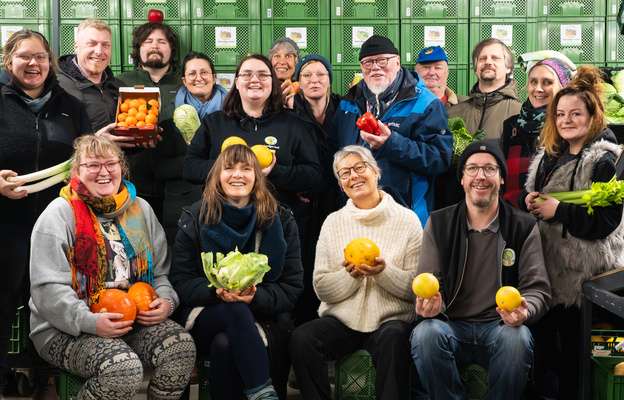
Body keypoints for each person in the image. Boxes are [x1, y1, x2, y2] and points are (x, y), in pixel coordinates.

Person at [29, 135, 196, 400]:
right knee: (123, 369)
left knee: (181, 349)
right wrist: (90, 322)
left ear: (121, 168)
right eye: (93, 165)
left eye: (111, 164)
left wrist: (167, 301)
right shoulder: (59, 213)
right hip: (65, 328)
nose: (104, 172)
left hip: (133, 322)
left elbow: (161, 273)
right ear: (76, 172)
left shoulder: (141, 209)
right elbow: (47, 289)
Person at [410, 140, 551, 399]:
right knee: (425, 333)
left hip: (500, 326)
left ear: (501, 178)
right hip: (451, 326)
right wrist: (431, 307)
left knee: (518, 337)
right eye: (472, 168)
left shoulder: (523, 226)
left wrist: (524, 310)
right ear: (462, 179)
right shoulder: (439, 223)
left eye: (489, 168)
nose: (480, 176)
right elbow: (429, 281)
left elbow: (537, 288)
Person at [0, 29, 95, 400]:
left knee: (49, 299)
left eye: (40, 56)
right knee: (3, 299)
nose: (33, 63)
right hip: (6, 222)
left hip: (57, 224)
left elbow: (87, 154)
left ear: (50, 61)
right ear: (9, 61)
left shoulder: (70, 105)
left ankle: (47, 378)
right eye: (24, 56)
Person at [520, 66, 624, 399]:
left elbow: (606, 222)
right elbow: (539, 199)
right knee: (543, 349)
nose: (566, 120)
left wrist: (560, 211)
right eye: (560, 114)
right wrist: (530, 201)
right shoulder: (550, 156)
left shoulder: (603, 162)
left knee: (574, 359)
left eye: (576, 113)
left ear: (593, 117)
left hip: (583, 279)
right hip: (547, 272)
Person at [170, 144, 303, 400]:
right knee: (235, 311)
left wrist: (255, 297)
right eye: (229, 168)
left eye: (246, 168)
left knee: (225, 342)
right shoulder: (195, 217)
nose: (237, 174)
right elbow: (181, 281)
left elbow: (291, 287)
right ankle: (264, 394)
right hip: (205, 315)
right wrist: (215, 291)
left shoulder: (280, 219)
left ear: (258, 176)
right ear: (218, 176)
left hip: (263, 317)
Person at [290, 145, 423, 400]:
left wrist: (383, 272)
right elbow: (321, 287)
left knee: (394, 338)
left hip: (390, 321)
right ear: (341, 185)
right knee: (302, 338)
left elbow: (414, 289)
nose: (353, 176)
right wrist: (348, 276)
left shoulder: (408, 221)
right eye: (345, 173)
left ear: (376, 172)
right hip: (343, 322)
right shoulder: (333, 223)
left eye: (360, 167)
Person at [182, 53, 322, 227]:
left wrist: (274, 172)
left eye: (262, 74)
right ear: (237, 82)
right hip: (222, 222)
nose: (254, 79)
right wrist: (229, 168)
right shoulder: (214, 122)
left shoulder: (294, 123)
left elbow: (313, 174)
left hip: (279, 223)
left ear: (272, 82)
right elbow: (189, 168)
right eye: (247, 74)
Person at [327, 34, 452, 227]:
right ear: (361, 67)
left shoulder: (426, 104)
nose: (375, 67)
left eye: (382, 60)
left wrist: (392, 144)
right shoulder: (348, 103)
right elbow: (332, 152)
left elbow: (439, 158)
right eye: (368, 62)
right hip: (355, 218)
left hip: (404, 219)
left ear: (397, 62)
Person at [117, 21, 198, 244]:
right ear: (138, 48)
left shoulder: (185, 82)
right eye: (148, 41)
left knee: (176, 248)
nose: (155, 46)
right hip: (133, 187)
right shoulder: (121, 82)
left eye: (162, 41)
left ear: (171, 49)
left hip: (178, 189)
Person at [288, 53, 341, 326]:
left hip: (336, 195)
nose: (314, 80)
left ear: (329, 80)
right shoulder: (289, 112)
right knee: (302, 258)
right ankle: (302, 323)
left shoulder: (344, 108)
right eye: (307, 75)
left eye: (321, 74)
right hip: (301, 200)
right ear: (298, 81)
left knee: (335, 256)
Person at [501, 51, 577, 208]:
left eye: (547, 82)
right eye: (533, 82)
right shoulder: (511, 126)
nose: (538, 89)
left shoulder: (568, 128)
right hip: (513, 215)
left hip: (553, 217)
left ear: (563, 88)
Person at [56, 19, 124, 138]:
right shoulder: (57, 86)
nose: (99, 51)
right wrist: (96, 142)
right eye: (91, 44)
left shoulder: (118, 86)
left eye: (105, 45)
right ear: (76, 46)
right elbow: (53, 139)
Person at [447, 38, 522, 139]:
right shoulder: (453, 114)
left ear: (508, 68)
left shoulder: (520, 113)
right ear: (476, 69)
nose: (488, 62)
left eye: (495, 58)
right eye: (483, 58)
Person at [175, 51, 227, 123]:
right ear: (184, 81)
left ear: (213, 78)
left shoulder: (232, 108)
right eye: (192, 73)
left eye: (204, 72)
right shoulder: (169, 112)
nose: (199, 78)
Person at [267, 37, 301, 104]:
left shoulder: (303, 93)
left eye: (288, 56)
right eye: (277, 56)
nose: (282, 62)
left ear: (296, 63)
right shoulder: (264, 90)